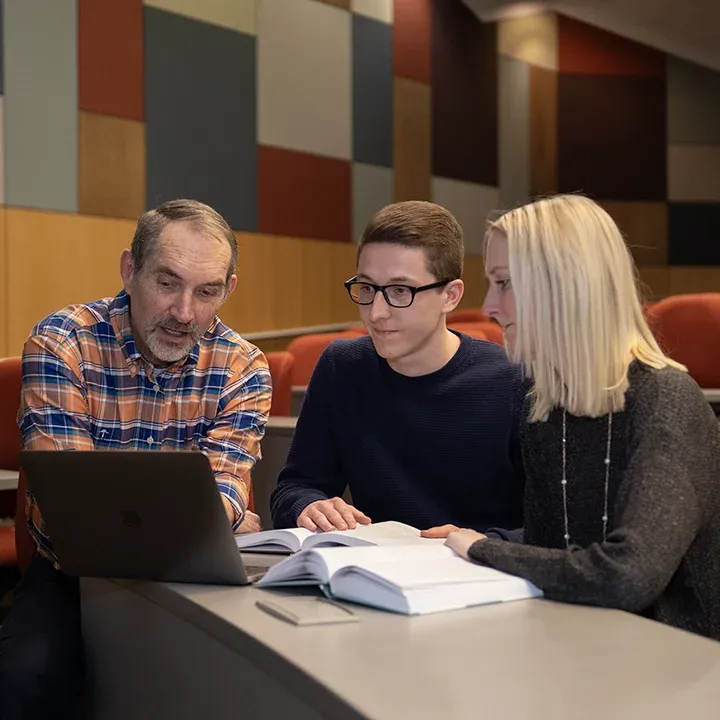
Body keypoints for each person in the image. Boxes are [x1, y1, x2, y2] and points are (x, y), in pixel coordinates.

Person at [0, 199, 272, 718]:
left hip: (193, 579)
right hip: (70, 580)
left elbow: (229, 487)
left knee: (244, 687)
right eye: (167, 283)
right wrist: (212, 518)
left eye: (207, 291)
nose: (185, 312)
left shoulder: (244, 367)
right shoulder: (63, 343)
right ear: (130, 270)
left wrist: (221, 512)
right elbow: (68, 512)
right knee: (23, 681)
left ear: (228, 290)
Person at [442, 194, 720, 640]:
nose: (489, 306)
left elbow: (629, 575)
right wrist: (474, 540)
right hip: (579, 641)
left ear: (564, 286)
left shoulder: (666, 401)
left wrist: (484, 551)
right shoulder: (546, 406)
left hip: (677, 668)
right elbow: (550, 544)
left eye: (505, 283)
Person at [271, 200, 526, 535]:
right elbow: (293, 488)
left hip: (487, 577)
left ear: (451, 296)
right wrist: (309, 506)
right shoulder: (343, 366)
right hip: (375, 576)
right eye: (366, 288)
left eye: (399, 290)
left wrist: (483, 545)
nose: (376, 312)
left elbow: (553, 531)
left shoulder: (513, 379)